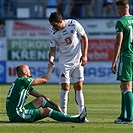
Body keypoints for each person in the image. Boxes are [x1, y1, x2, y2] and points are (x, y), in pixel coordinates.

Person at [6, 64, 87, 123]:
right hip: (17, 115)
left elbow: (41, 96)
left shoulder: (22, 84)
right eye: (28, 69)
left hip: (18, 111)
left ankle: (62, 116)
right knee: (47, 111)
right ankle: (77, 119)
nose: (30, 70)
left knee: (41, 100)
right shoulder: (23, 81)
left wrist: (55, 105)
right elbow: (44, 80)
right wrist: (51, 68)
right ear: (24, 72)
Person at [48, 12, 88, 122]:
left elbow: (84, 37)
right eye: (52, 25)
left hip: (77, 60)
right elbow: (52, 50)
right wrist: (51, 60)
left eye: (55, 25)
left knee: (78, 87)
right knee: (65, 87)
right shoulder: (52, 33)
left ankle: (82, 115)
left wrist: (84, 55)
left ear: (60, 22)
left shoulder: (73, 24)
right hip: (64, 63)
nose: (53, 27)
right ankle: (63, 116)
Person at [111, 0, 133, 124]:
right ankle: (123, 116)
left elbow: (118, 43)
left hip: (126, 57)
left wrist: (113, 61)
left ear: (120, 9)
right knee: (125, 87)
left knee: (126, 88)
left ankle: (129, 118)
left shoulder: (120, 22)